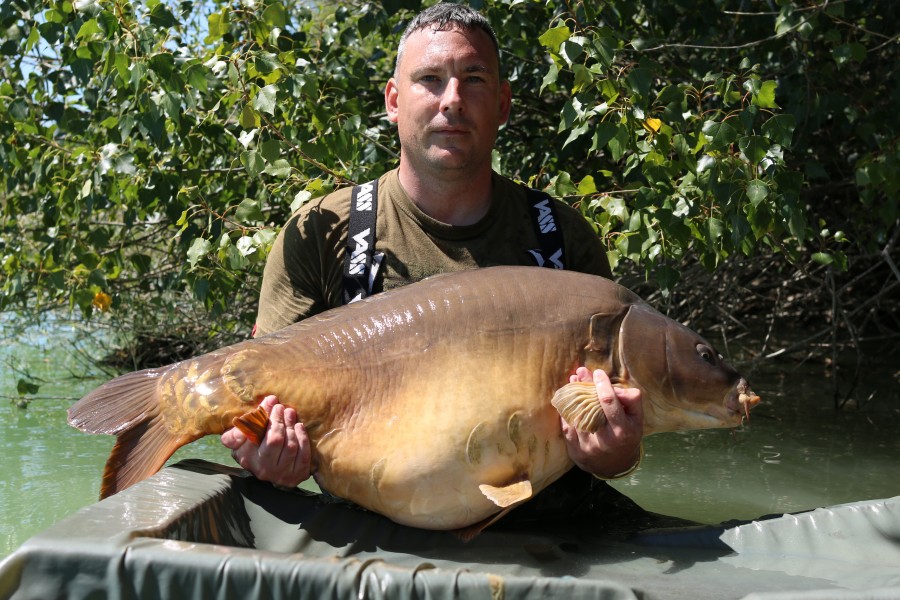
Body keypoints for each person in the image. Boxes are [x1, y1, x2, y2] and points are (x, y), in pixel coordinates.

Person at [221, 3, 643, 520]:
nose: (452, 100)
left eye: (474, 79)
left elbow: (614, 426)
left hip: (543, 531)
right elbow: (250, 407)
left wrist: (617, 454)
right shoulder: (321, 232)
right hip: (370, 530)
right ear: (394, 101)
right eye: (430, 79)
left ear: (504, 104)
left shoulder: (561, 240)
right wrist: (266, 454)